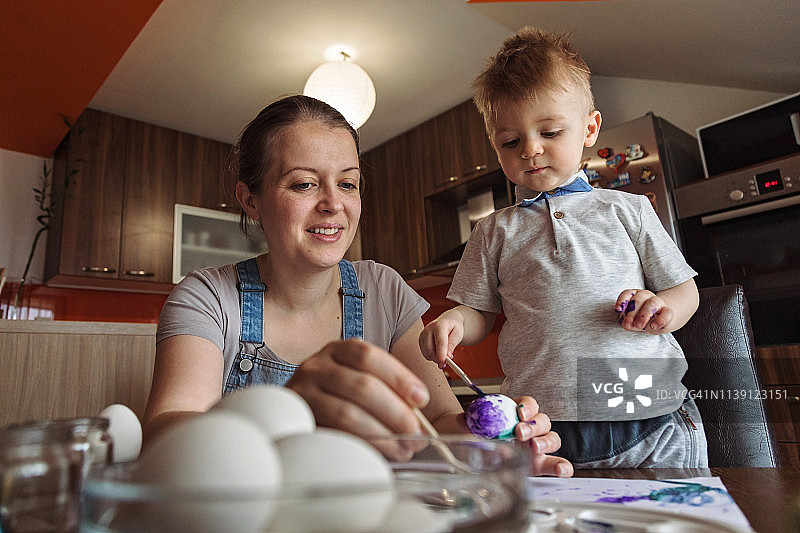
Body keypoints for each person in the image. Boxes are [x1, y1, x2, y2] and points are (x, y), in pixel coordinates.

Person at [143, 94, 573, 477]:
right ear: (250, 200)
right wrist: (290, 414)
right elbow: (163, 440)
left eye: (347, 183)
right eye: (304, 184)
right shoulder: (207, 298)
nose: (333, 204)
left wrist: (491, 444)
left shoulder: (383, 289)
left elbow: (440, 423)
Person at [419, 28, 709, 468]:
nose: (531, 150)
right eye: (510, 142)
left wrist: (662, 308)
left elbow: (685, 292)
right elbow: (479, 313)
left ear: (590, 128)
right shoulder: (493, 230)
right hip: (545, 432)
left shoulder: (628, 208)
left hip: (653, 420)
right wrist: (454, 320)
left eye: (550, 131)